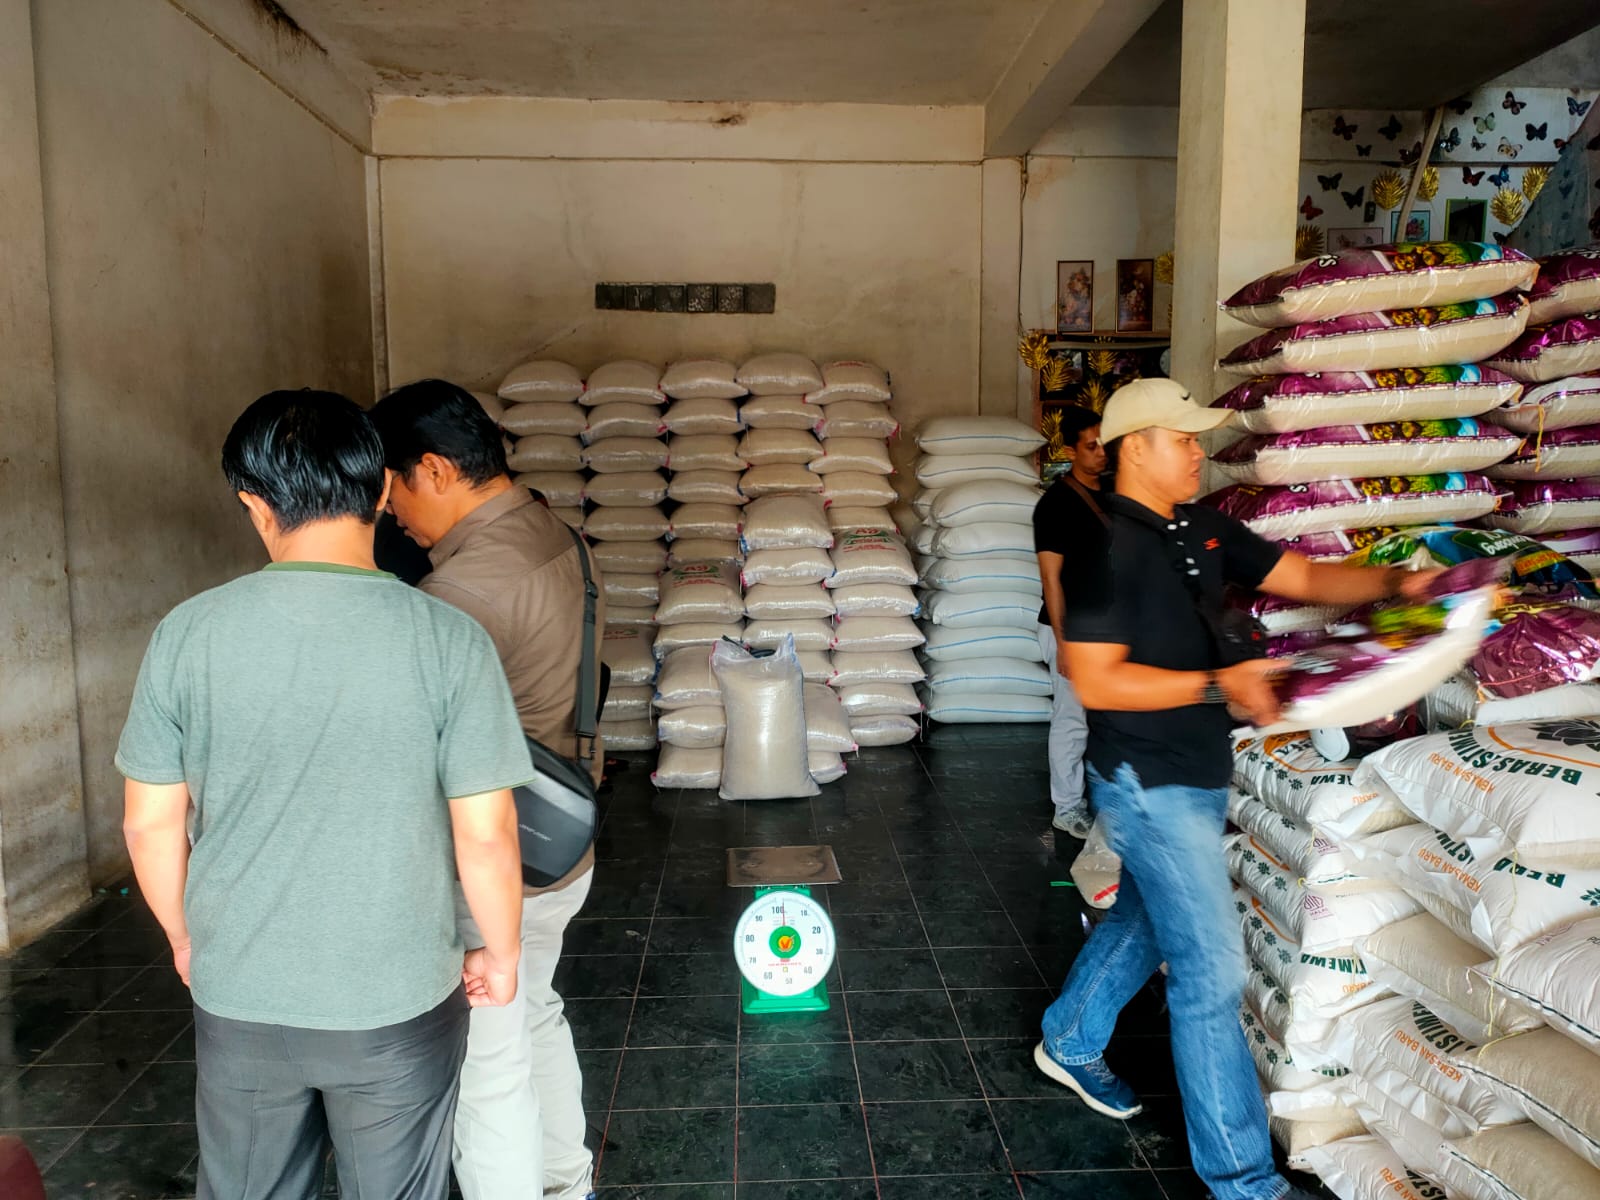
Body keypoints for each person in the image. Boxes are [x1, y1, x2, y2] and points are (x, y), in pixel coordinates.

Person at [117, 390, 529, 1200]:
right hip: (397, 999)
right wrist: (502, 954)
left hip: (241, 992)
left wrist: (186, 938)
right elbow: (487, 834)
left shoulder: (187, 634)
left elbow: (149, 823)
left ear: (253, 504)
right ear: (381, 490)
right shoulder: (448, 640)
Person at [1033, 378, 1437, 1200]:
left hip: (1194, 770)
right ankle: (1244, 1181)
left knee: (1148, 919)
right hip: (1145, 780)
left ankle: (1070, 1036)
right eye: (1183, 438)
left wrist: (1396, 586)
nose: (1198, 451)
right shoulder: (1105, 549)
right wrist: (1220, 686)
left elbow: (1307, 578)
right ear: (1135, 447)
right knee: (1212, 973)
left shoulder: (1201, 527)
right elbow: (1095, 678)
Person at [370, 379, 603, 1200]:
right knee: (535, 1013)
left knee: (486, 1061)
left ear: (434, 469)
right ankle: (567, 1184)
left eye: (391, 489)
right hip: (561, 837)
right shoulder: (556, 534)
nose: (387, 512)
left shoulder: (460, 594)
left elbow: (411, 752)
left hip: (494, 857)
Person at [1033, 407, 1109, 839]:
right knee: (1072, 718)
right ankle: (1066, 806)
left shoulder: (1114, 495)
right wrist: (1064, 645)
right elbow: (1051, 580)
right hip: (1069, 630)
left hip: (1106, 629)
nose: (1101, 453)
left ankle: (1104, 797)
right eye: (1091, 446)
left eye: (1104, 444)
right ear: (1069, 450)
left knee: (1109, 718)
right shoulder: (1055, 505)